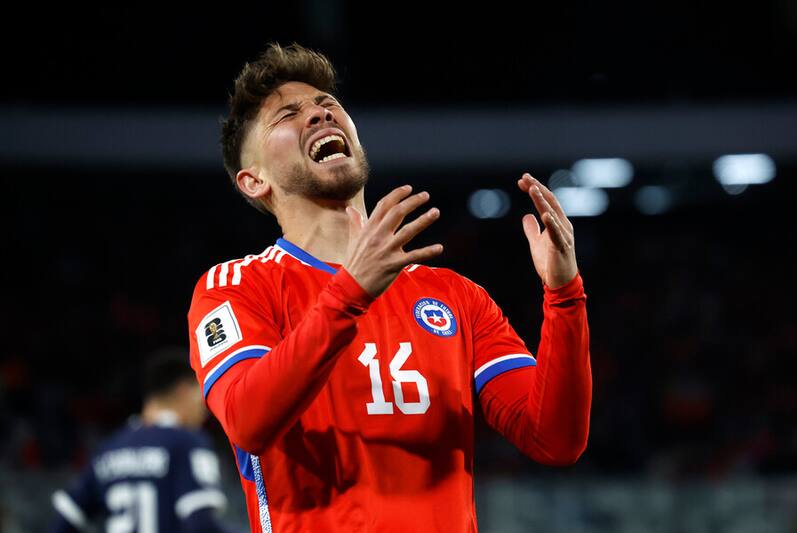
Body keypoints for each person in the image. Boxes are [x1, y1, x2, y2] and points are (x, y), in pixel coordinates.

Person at [187, 43, 592, 532]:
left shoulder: (455, 296)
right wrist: (350, 293)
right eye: (288, 115)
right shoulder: (236, 287)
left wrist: (564, 295)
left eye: (327, 105)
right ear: (254, 181)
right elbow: (248, 419)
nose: (319, 114)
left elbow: (554, 438)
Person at [50, 348, 234, 532]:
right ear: (183, 390)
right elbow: (201, 524)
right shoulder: (187, 443)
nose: (205, 406)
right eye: (200, 392)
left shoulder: (109, 448)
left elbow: (64, 522)